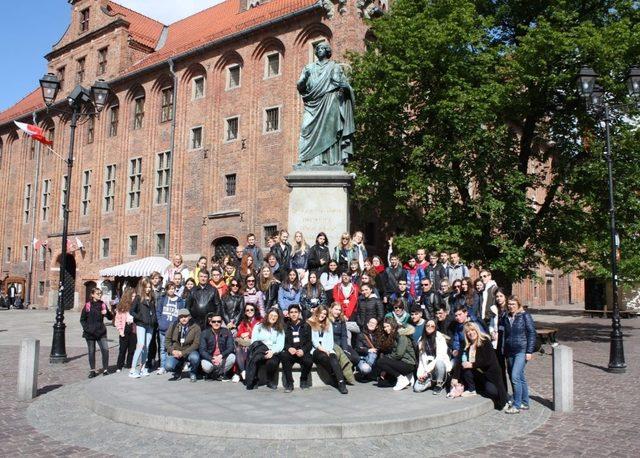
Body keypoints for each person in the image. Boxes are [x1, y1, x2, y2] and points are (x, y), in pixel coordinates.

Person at [297, 41, 355, 166]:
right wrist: (304, 79)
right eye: (317, 48)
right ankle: (306, 160)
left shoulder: (334, 67)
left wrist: (346, 88)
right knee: (305, 128)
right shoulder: (308, 68)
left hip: (330, 102)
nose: (319, 50)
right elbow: (300, 87)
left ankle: (328, 161)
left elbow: (344, 85)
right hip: (313, 103)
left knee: (330, 132)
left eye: (322, 48)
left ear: (327, 51)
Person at [455, 322, 508, 409]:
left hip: (490, 373)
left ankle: (503, 399)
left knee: (492, 391)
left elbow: (487, 360)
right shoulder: (466, 344)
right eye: (468, 332)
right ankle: (472, 389)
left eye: (472, 330)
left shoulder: (485, 341)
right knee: (465, 368)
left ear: (477, 330)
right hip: (477, 373)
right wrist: (455, 377)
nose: (471, 333)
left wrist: (471, 365)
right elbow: (459, 360)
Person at [500, 296, 536, 414]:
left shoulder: (525, 316)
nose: (511, 306)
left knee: (515, 376)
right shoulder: (506, 316)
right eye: (509, 304)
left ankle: (516, 404)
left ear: (518, 304)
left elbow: (531, 333)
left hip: (521, 349)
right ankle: (525, 402)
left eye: (513, 304)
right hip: (509, 350)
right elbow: (503, 332)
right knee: (519, 377)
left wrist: (529, 351)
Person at [307, 305, 349, 394]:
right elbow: (314, 340)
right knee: (324, 357)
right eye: (321, 313)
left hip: (328, 348)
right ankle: (335, 376)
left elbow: (330, 340)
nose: (322, 315)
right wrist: (323, 349)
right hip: (316, 349)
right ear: (317, 312)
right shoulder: (311, 322)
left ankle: (341, 383)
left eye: (325, 314)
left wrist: (329, 350)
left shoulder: (328, 324)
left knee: (334, 359)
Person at [246, 307, 286, 390]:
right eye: (271, 315)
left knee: (272, 362)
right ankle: (253, 379)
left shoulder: (280, 329)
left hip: (273, 351)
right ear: (267, 316)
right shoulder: (258, 326)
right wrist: (263, 350)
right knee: (256, 358)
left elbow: (280, 344)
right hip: (260, 349)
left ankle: (270, 380)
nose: (273, 317)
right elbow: (254, 341)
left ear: (278, 318)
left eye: (275, 316)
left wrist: (272, 351)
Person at [375, 318, 417, 391]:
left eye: (388, 326)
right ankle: (407, 378)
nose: (385, 329)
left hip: (408, 364)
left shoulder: (401, 336)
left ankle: (401, 378)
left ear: (393, 325)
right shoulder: (391, 336)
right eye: (384, 327)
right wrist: (385, 368)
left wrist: (385, 360)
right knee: (381, 383)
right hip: (399, 363)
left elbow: (399, 354)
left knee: (380, 361)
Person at [80, 287, 113, 378]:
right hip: (90, 333)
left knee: (105, 350)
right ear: (92, 294)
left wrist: (107, 313)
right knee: (91, 351)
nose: (99, 295)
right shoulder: (87, 305)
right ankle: (92, 371)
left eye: (100, 293)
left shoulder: (103, 305)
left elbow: (110, 318)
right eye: (98, 293)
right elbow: (82, 319)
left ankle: (105, 369)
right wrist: (87, 329)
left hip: (101, 331)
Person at [280, 304, 313, 392]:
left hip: (302, 351)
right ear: (288, 314)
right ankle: (289, 383)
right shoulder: (285, 326)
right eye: (291, 312)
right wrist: (288, 348)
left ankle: (303, 380)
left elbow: (309, 342)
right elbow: (282, 341)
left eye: (296, 312)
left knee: (309, 361)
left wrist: (303, 350)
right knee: (284, 357)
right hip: (291, 351)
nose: (294, 314)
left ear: (299, 313)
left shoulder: (306, 326)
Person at [413, 320, 452, 394]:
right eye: (428, 325)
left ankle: (439, 383)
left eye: (432, 326)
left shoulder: (440, 337)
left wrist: (427, 372)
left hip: (438, 367)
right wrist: (420, 375)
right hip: (427, 369)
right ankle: (432, 382)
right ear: (425, 326)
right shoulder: (421, 340)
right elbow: (421, 360)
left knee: (439, 362)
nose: (429, 327)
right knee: (417, 388)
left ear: (435, 327)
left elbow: (440, 356)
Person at [129, 277, 158, 378]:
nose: (148, 289)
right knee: (140, 345)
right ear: (142, 287)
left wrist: (154, 320)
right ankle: (132, 369)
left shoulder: (151, 298)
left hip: (150, 325)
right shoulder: (138, 297)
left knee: (147, 346)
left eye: (149, 287)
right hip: (141, 324)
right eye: (146, 287)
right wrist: (140, 317)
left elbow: (154, 311)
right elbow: (131, 311)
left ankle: (142, 368)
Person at [155, 282, 186, 375]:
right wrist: (160, 323)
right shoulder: (163, 299)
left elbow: (181, 314)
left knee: (174, 347)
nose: (171, 290)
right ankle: (163, 366)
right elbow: (158, 312)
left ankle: (173, 366)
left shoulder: (180, 301)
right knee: (163, 348)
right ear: (166, 290)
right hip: (163, 328)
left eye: (173, 288)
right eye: (169, 289)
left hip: (174, 329)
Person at [165, 309, 202, 382]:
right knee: (168, 366)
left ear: (189, 317)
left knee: (195, 358)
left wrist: (183, 353)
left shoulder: (196, 327)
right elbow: (167, 340)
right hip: (176, 351)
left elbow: (196, 344)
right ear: (179, 317)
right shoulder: (173, 325)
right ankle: (178, 370)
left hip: (189, 351)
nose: (183, 319)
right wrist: (172, 351)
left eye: (185, 316)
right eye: (181, 317)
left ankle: (192, 373)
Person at [199, 312, 237, 381]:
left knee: (232, 357)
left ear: (221, 322)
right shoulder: (204, 333)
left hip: (222, 358)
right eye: (214, 321)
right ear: (210, 322)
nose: (216, 323)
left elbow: (231, 347)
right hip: (210, 358)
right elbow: (202, 350)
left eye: (218, 321)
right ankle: (217, 373)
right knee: (206, 366)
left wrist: (221, 356)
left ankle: (216, 374)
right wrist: (212, 358)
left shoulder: (227, 332)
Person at [235, 303, 262, 382]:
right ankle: (243, 371)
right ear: (245, 312)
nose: (249, 311)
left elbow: (261, 333)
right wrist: (243, 335)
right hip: (244, 344)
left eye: (251, 309)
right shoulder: (244, 321)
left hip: (255, 344)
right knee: (238, 349)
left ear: (255, 310)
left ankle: (240, 372)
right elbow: (239, 334)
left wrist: (249, 334)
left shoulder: (260, 320)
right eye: (247, 310)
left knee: (244, 349)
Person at [329, 302, 360, 367]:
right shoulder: (327, 320)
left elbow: (344, 336)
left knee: (356, 358)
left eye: (339, 310)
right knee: (347, 358)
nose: (337, 312)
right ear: (331, 309)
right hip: (332, 345)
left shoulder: (341, 320)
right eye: (336, 309)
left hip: (341, 344)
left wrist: (345, 349)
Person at [114, 287, 136, 372]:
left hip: (133, 328)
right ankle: (119, 365)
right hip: (124, 328)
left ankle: (129, 364)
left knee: (132, 348)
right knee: (122, 349)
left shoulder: (136, 305)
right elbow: (118, 320)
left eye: (134, 296)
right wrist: (120, 330)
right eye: (132, 296)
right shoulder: (122, 306)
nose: (133, 298)